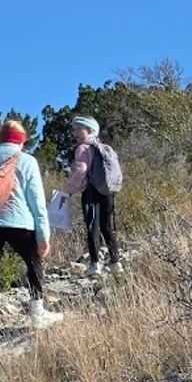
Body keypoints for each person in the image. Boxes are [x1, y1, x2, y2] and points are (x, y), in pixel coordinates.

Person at [0, 119, 63, 351]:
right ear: (22, 141)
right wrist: (43, 235)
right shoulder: (28, 161)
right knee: (33, 264)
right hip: (20, 222)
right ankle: (37, 313)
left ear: (0, 137)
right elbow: (37, 202)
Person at [65, 115, 122, 275]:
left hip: (91, 191)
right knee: (107, 226)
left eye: (78, 129)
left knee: (92, 227)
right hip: (108, 191)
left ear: (89, 130)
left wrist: (70, 189)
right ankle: (115, 262)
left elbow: (80, 171)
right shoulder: (105, 148)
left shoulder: (83, 148)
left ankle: (95, 264)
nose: (75, 132)